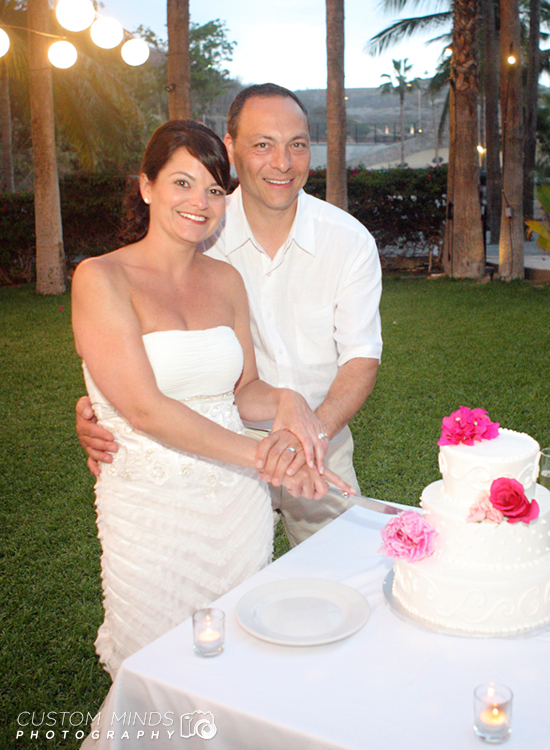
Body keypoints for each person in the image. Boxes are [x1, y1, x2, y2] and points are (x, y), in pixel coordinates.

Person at [72, 119, 351, 683]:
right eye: (181, 183)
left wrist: (287, 401)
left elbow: (243, 389)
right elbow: (144, 407)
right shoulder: (101, 278)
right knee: (155, 668)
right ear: (146, 186)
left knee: (239, 664)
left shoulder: (225, 280)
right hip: (150, 507)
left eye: (215, 190)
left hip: (235, 507)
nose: (200, 202)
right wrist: (262, 458)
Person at [76, 84, 383, 546]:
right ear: (231, 147)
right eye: (263, 144)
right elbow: (133, 338)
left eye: (297, 145)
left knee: (339, 576)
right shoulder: (195, 229)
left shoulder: (348, 240)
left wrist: (307, 431)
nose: (282, 162)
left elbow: (361, 357)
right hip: (207, 452)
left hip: (320, 435)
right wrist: (104, 405)